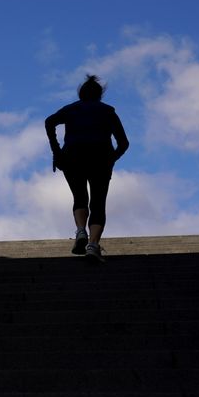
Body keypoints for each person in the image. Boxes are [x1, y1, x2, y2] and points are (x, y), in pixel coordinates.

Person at [44, 75, 129, 262]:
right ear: (99, 95)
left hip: (72, 156)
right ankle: (93, 245)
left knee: (79, 197)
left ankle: (81, 231)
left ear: (81, 94)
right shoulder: (108, 112)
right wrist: (111, 158)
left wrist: (56, 150)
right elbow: (124, 143)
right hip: (100, 158)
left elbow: (49, 122)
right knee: (98, 202)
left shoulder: (71, 109)